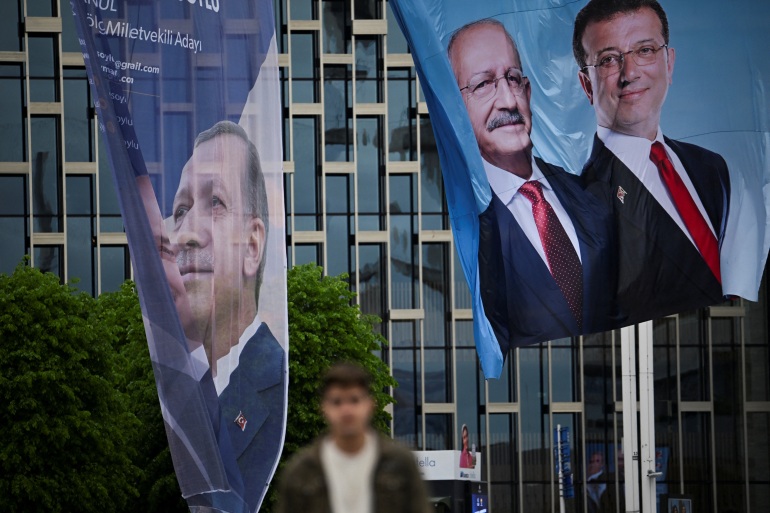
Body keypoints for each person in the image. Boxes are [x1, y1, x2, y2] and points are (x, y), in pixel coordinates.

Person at [447, 18, 617, 349]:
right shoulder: (470, 224)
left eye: (513, 79)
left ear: (528, 91)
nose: (508, 101)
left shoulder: (593, 198)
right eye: (483, 84)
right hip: (526, 389)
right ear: (457, 106)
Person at [573, 0, 730, 324]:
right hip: (666, 352)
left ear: (668, 64)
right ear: (587, 85)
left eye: (644, 50)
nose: (630, 73)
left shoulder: (713, 168)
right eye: (608, 60)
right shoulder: (582, 200)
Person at [169, 120, 286, 512]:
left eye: (215, 202)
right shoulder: (174, 392)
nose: (185, 233)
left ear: (252, 245)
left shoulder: (283, 381)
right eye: (181, 210)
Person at [277, 362, 430, 513]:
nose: (346, 410)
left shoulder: (400, 463)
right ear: (324, 408)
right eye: (337, 402)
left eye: (354, 400)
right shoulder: (302, 471)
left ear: (370, 405)